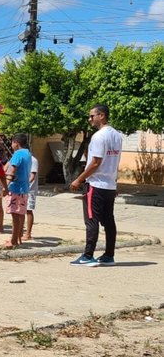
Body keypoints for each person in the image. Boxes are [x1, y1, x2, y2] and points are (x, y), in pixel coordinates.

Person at [69, 104, 123, 267]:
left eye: (92, 116)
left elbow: (95, 163)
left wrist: (79, 179)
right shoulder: (117, 136)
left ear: (102, 115)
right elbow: (113, 161)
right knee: (108, 221)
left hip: (96, 184)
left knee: (91, 220)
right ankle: (109, 255)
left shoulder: (99, 137)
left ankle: (88, 255)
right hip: (109, 185)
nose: (90, 119)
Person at [4, 134, 31, 248]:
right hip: (24, 188)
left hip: (16, 188)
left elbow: (12, 171)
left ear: (16, 142)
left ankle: (13, 240)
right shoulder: (28, 153)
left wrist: (5, 186)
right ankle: (18, 238)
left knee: (15, 216)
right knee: (20, 215)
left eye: (12, 142)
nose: (12, 145)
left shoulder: (18, 154)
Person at [24, 154, 39, 241]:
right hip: (22, 189)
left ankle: (28, 233)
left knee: (29, 210)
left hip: (30, 189)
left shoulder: (33, 160)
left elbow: (32, 176)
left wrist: (25, 183)